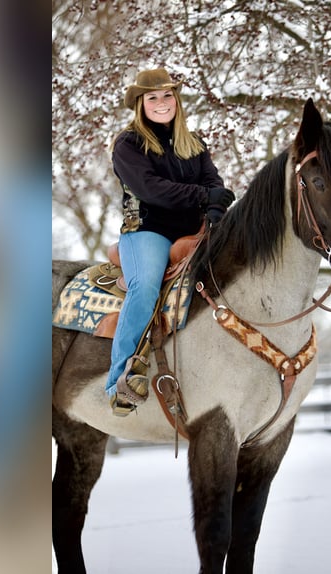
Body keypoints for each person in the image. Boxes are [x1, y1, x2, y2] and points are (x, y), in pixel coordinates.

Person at [106, 67, 235, 416]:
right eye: (153, 98)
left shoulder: (194, 145)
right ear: (140, 104)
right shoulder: (128, 144)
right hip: (149, 230)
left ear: (176, 101)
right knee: (145, 286)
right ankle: (119, 379)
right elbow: (152, 190)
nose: (161, 103)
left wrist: (217, 206)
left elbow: (215, 182)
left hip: (193, 231)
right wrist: (204, 196)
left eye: (167, 96)